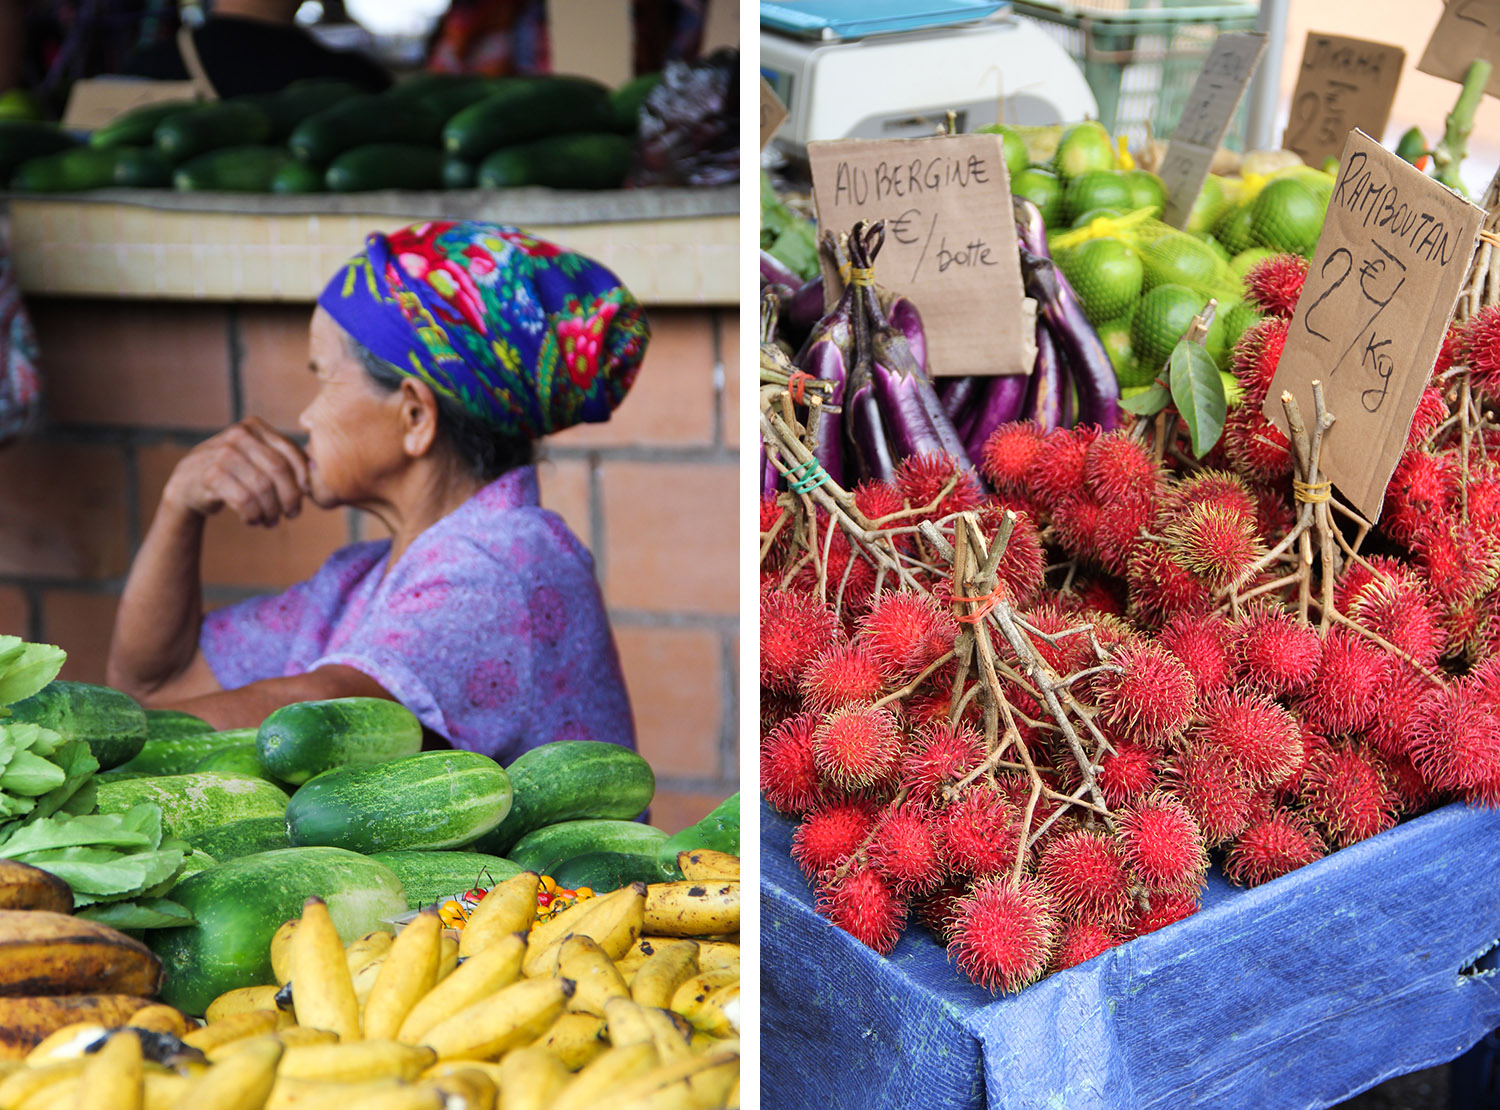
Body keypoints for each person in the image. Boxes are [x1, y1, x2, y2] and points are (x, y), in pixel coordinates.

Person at [106, 220, 647, 761]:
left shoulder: (502, 564)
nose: (306, 415)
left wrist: (78, 742)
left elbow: (322, 713)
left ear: (414, 415)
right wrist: (179, 505)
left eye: (324, 378)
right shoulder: (358, 583)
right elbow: (154, 689)